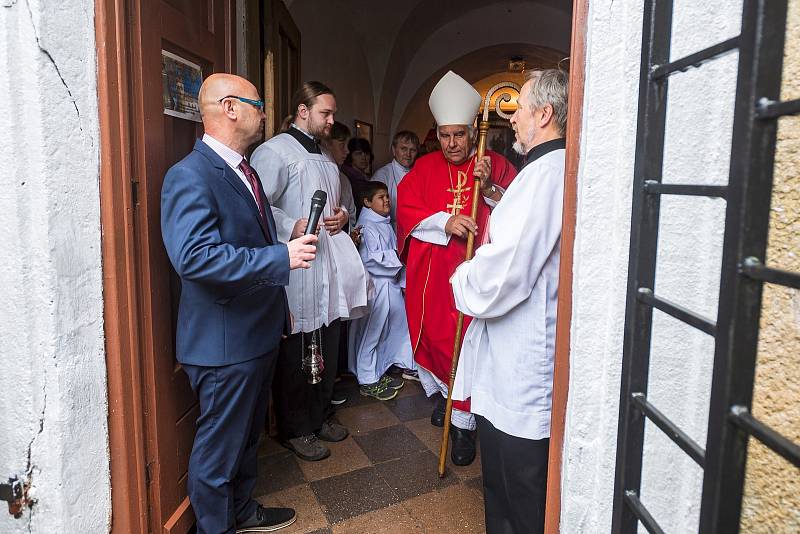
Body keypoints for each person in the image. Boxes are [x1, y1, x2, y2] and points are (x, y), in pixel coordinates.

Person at [161, 73, 318, 533]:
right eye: (258, 103)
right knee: (218, 451)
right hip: (224, 342)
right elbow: (195, 258)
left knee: (247, 439)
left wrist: (281, 246)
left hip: (257, 331)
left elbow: (246, 237)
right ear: (230, 108)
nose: (265, 113)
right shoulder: (189, 175)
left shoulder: (243, 169)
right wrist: (280, 257)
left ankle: (243, 510)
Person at [450, 69, 568, 534]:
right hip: (511, 353)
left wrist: (462, 279)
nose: (513, 117)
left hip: (525, 357)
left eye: (519, 107)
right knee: (500, 485)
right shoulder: (540, 171)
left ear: (544, 114)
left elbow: (504, 273)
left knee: (520, 491)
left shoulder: (544, 174)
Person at [396, 71, 517, 466]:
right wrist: (443, 222)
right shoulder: (425, 168)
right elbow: (407, 211)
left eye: (459, 135)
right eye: (445, 136)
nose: (452, 144)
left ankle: (464, 425)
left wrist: (493, 189)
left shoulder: (493, 163)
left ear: (471, 132)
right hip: (435, 278)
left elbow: (520, 212)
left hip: (479, 276)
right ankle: (449, 403)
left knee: (470, 348)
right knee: (437, 341)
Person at [250, 82, 369, 462]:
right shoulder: (273, 152)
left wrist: (342, 215)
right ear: (303, 110)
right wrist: (291, 226)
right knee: (299, 344)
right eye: (325, 113)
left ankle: (320, 415)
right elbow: (258, 207)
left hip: (328, 262)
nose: (332, 121)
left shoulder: (325, 155)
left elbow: (338, 202)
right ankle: (295, 427)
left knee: (328, 337)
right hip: (297, 264)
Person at [347, 181, 416, 400]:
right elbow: (371, 259)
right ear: (367, 202)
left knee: (396, 326)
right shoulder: (366, 225)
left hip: (391, 283)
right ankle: (367, 378)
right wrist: (400, 261)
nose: (387, 200)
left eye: (387, 196)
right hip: (376, 285)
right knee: (372, 331)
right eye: (380, 197)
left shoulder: (382, 221)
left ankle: (382, 368)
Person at [371, 130, 419, 226]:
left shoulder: (419, 173)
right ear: (393, 150)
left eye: (412, 150)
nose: (408, 154)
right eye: (403, 149)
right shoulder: (382, 175)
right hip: (391, 228)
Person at [341, 137, 374, 217]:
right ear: (350, 155)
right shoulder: (348, 177)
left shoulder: (364, 177)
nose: (363, 157)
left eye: (366, 153)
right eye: (358, 153)